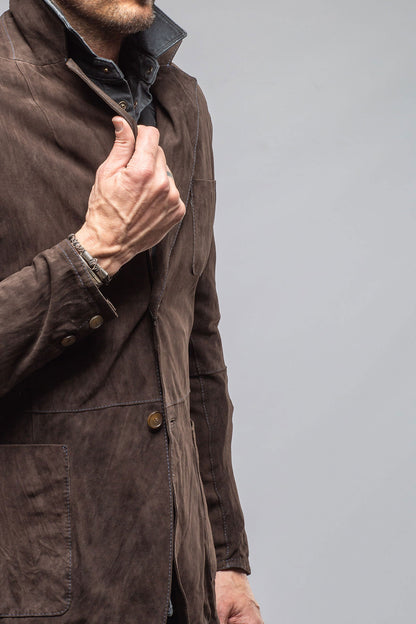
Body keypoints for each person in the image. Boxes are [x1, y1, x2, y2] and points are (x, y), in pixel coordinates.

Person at [0, 1, 263, 622]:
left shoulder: (181, 102)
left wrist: (225, 560)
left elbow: (196, 342)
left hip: (180, 584)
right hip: (41, 585)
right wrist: (95, 252)